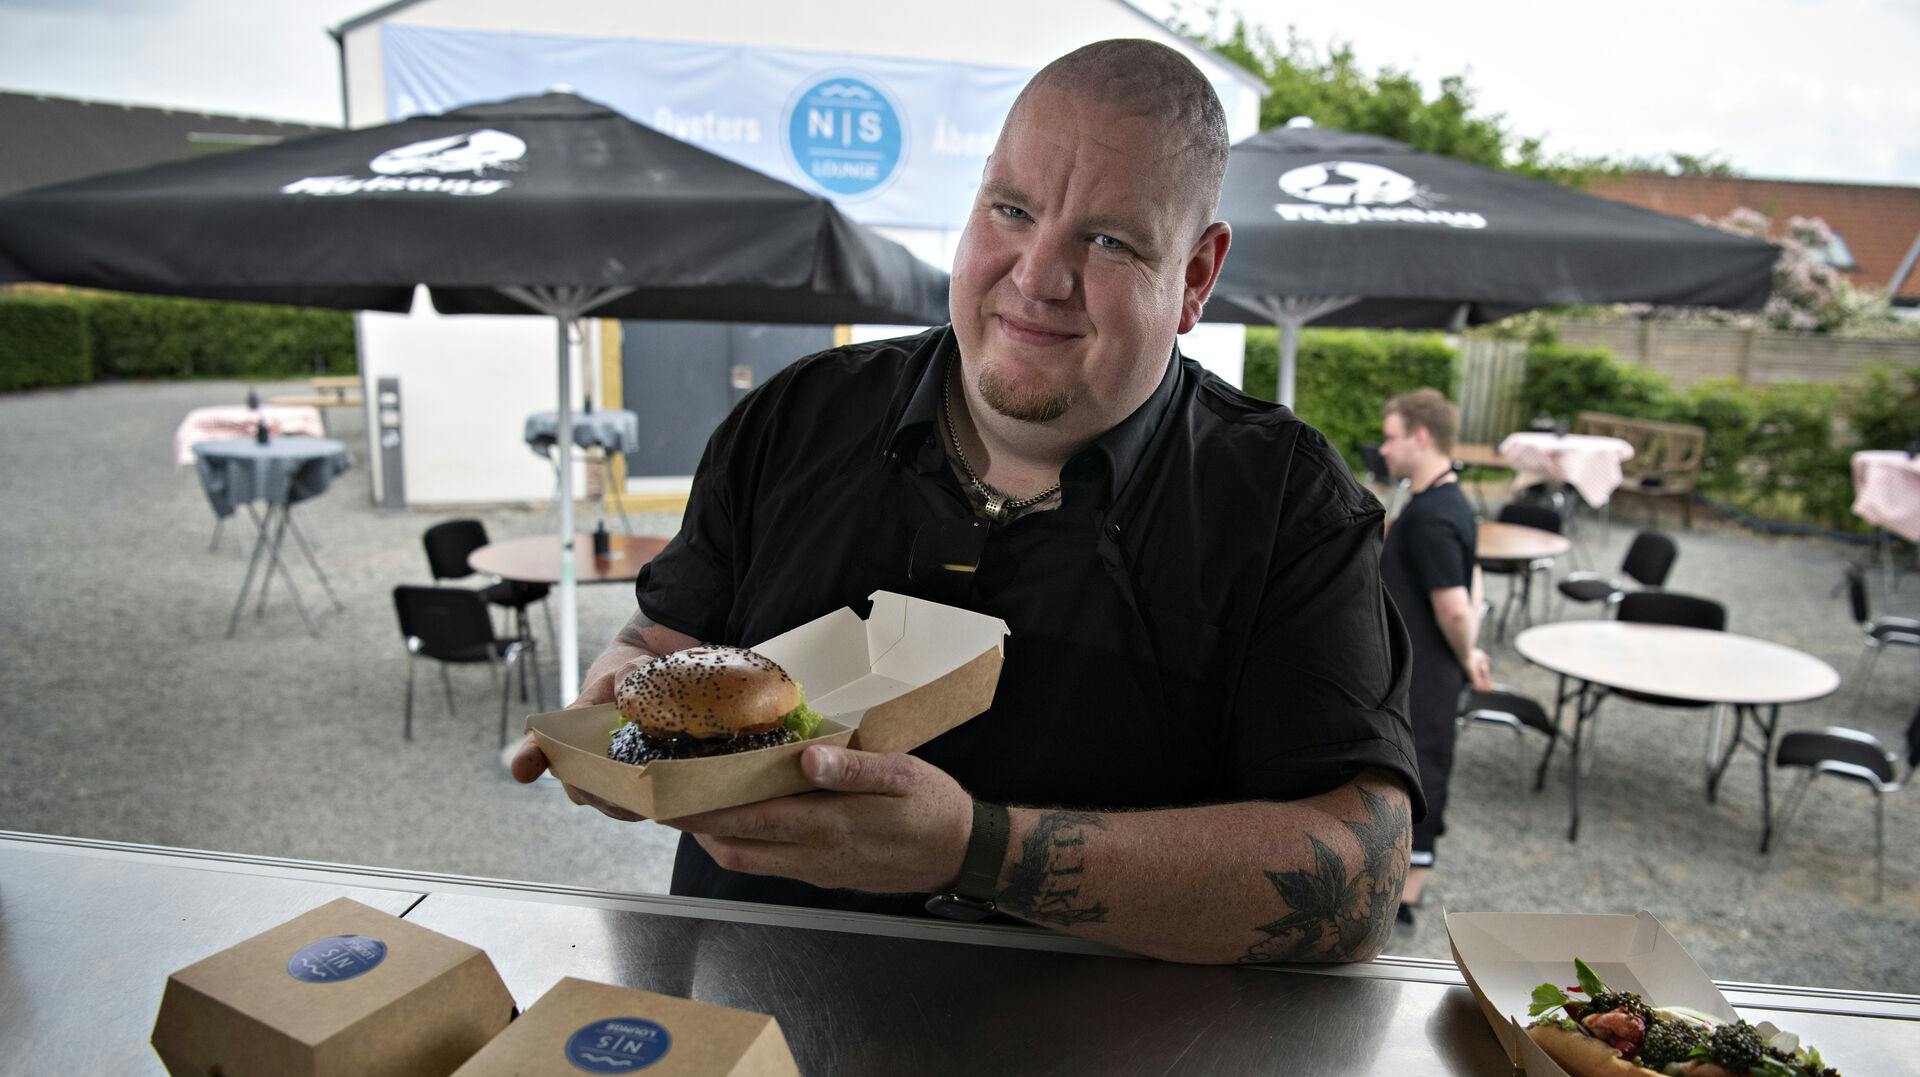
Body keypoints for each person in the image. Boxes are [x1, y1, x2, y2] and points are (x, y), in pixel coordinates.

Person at [512, 39, 1423, 965]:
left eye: (1108, 240)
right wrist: (612, 696)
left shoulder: (1284, 505)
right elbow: (666, 640)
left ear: (1194, 277)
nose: (1037, 276)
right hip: (743, 1024)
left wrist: (977, 849)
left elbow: (1365, 874)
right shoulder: (795, 418)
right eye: (1013, 210)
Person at [1376, 388, 1493, 923]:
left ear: (1421, 438)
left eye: (1392, 436)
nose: (1384, 448)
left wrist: (1468, 656)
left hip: (1427, 670)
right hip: (1424, 662)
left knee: (1423, 766)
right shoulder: (1447, 501)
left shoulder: (1431, 517)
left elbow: (1453, 607)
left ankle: (1408, 894)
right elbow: (1472, 576)